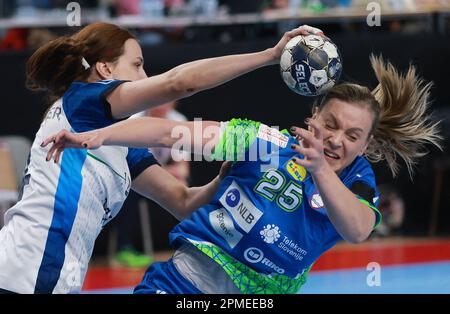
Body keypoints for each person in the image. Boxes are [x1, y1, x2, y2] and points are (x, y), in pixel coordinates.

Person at [44, 55, 442, 294]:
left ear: (367, 145)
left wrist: (319, 168)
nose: (337, 140)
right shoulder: (263, 141)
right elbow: (173, 132)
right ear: (313, 116)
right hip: (186, 278)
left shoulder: (357, 182)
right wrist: (98, 135)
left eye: (352, 135)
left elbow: (356, 229)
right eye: (331, 124)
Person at [0, 22, 318, 294]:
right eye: (137, 64)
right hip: (25, 271)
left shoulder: (120, 140)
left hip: (54, 278)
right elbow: (179, 83)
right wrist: (269, 55)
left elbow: (182, 201)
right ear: (105, 69)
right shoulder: (82, 102)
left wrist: (223, 179)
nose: (144, 74)